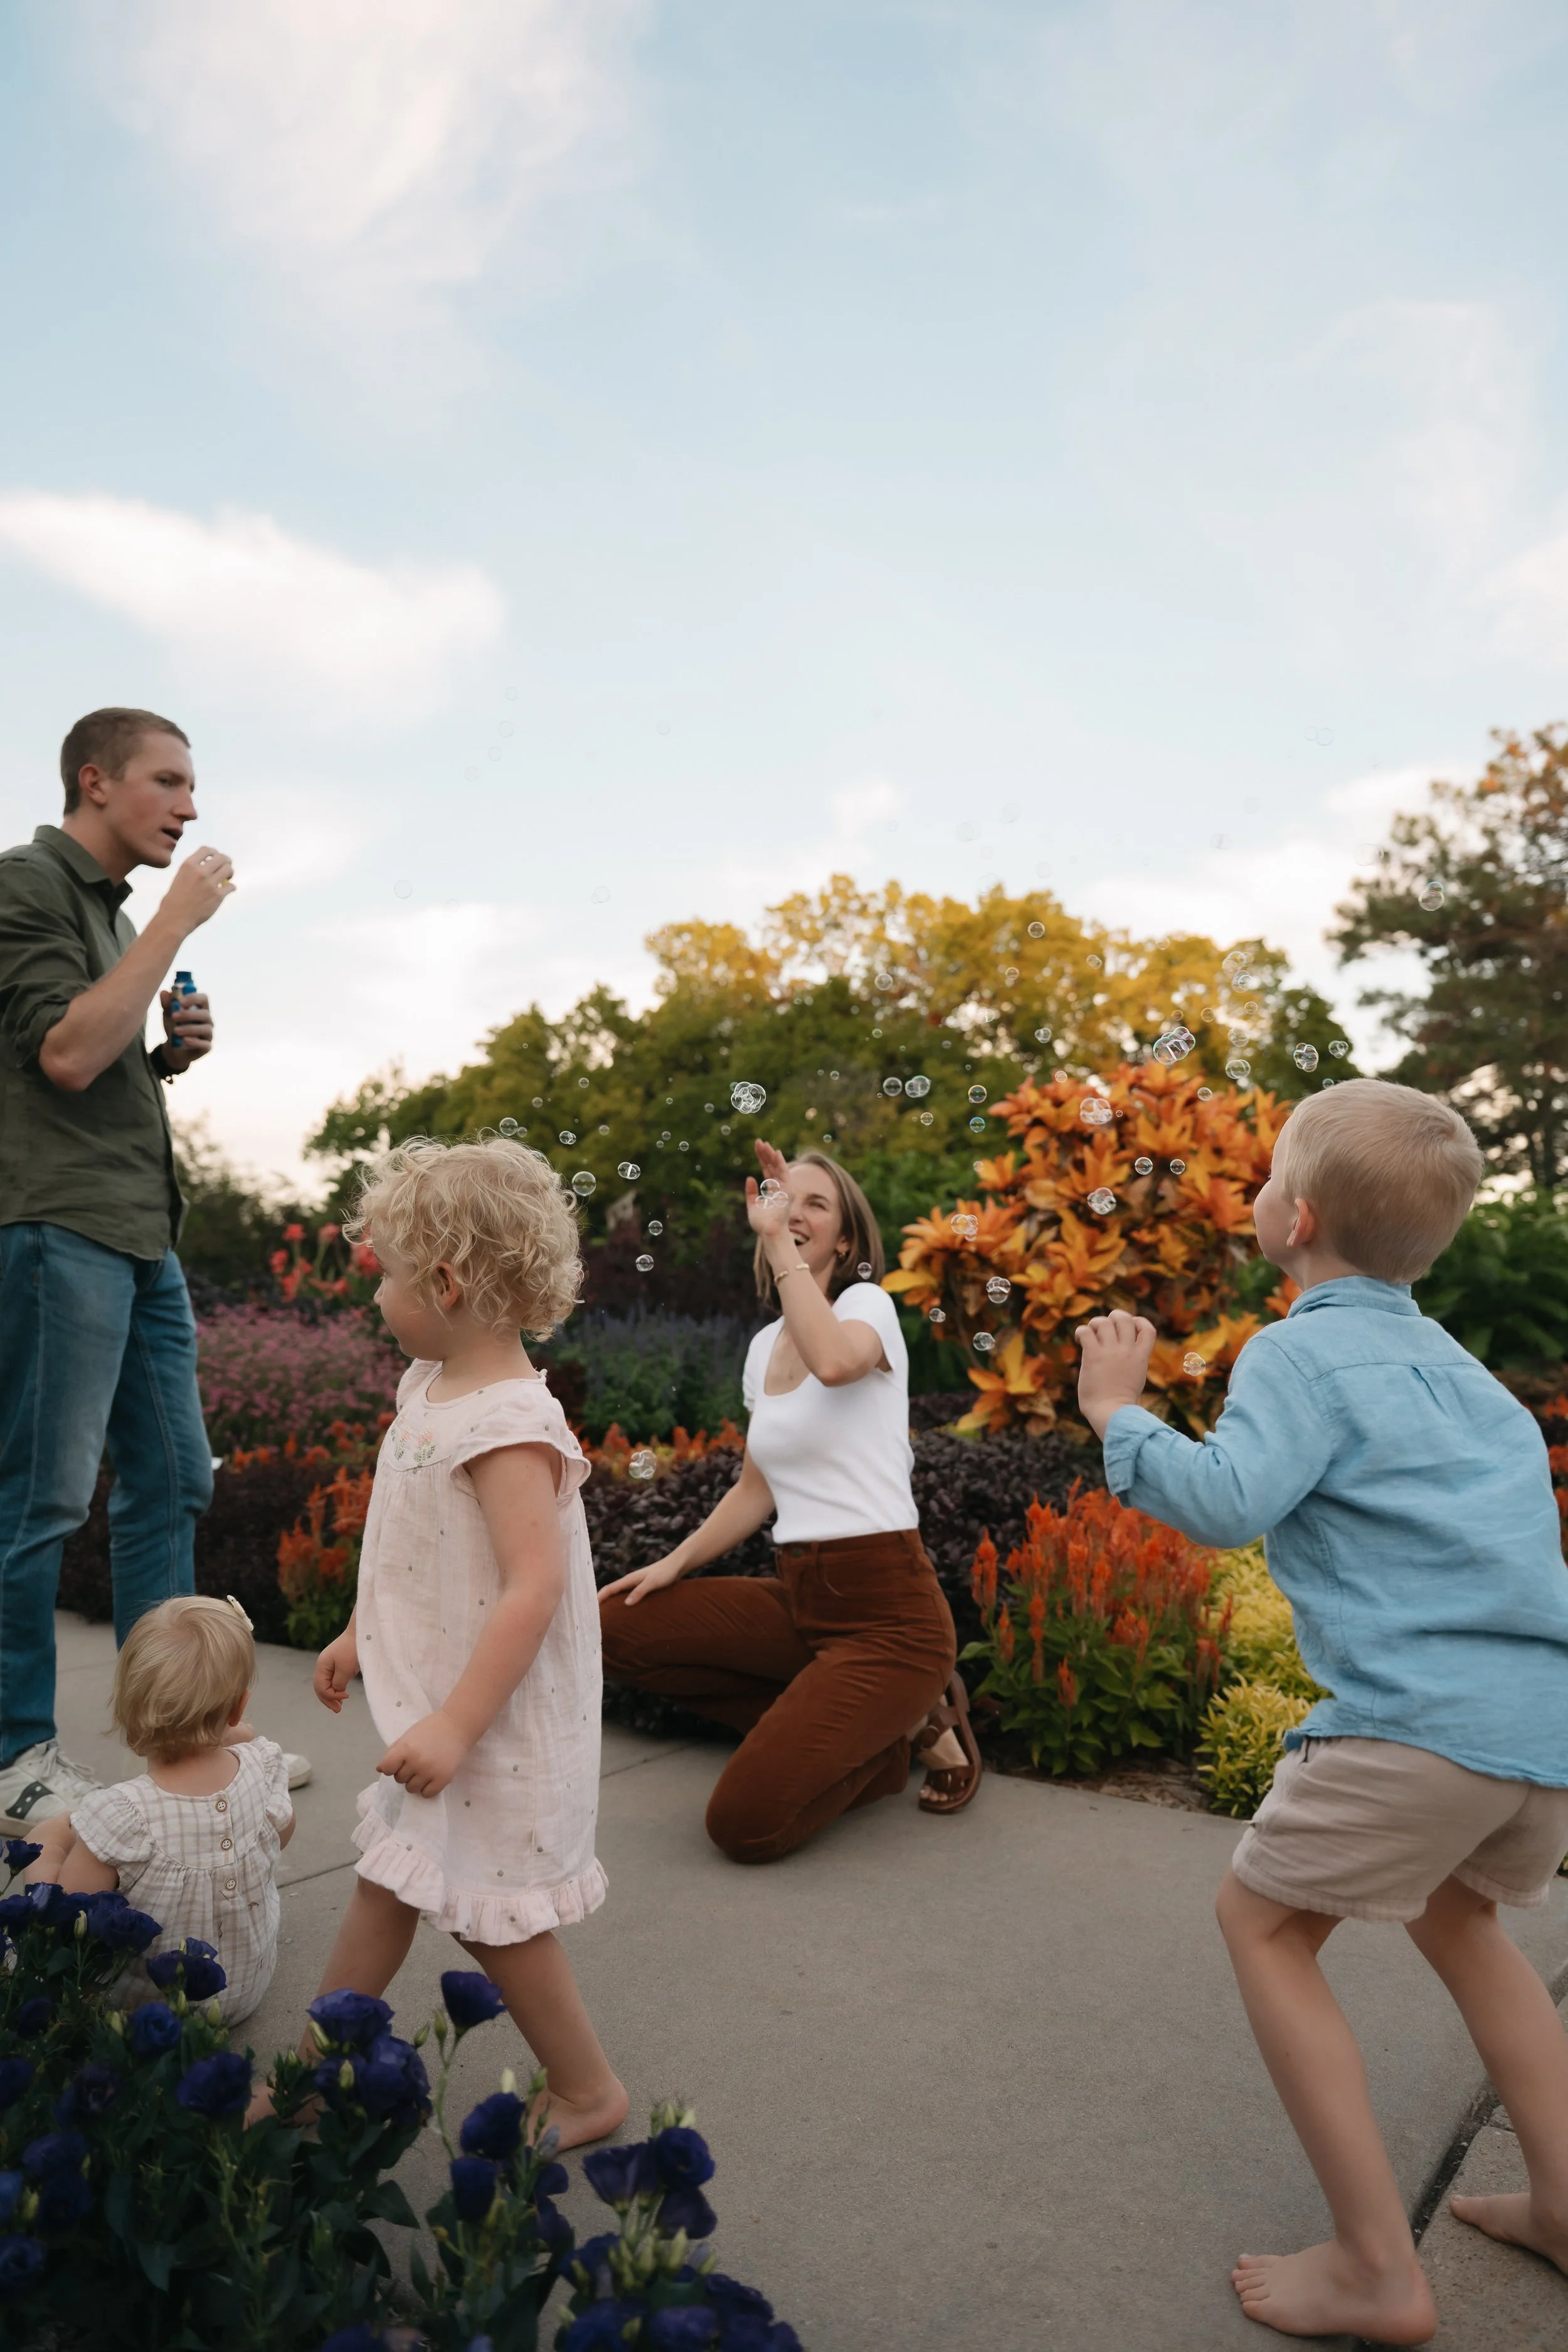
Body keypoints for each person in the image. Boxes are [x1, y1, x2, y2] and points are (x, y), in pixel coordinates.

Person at [1075, 1078, 1568, 2344]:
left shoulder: (1294, 1348)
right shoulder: (1470, 1381)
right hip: (1536, 1733)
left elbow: (1230, 1500)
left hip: (1413, 1720)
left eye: (1261, 1181)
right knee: (1465, 1924)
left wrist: (1117, 1416)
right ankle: (1567, 2208)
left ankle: (1371, 2268)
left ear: (1293, 1219)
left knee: (1261, 1923)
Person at [0, 706, 309, 1826]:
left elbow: (103, 1051)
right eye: (169, 783)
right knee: (38, 1499)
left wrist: (164, 1057)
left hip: (141, 1236)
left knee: (175, 1478)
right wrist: (173, 926)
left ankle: (178, 1737)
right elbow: (68, 1055)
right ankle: (14, 1757)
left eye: (192, 788)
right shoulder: (27, 886)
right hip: (60, 1230)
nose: (189, 806)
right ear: (95, 781)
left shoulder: (109, 917)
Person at [296, 1136, 625, 2149]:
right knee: (390, 1878)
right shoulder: (425, 1391)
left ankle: (587, 2092)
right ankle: (315, 2067)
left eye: (389, 1275)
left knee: (493, 1916)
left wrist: (453, 1724)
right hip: (440, 1713)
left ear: (445, 1281)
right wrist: (362, 1630)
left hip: (495, 1724)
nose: (377, 1296)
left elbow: (534, 1590)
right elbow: (409, 1548)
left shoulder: (511, 1425)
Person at [599, 1141, 980, 1864]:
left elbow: (835, 1364)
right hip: (803, 1597)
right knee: (613, 1625)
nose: (794, 1211)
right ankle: (890, 1725)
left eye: (816, 1203)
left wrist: (777, 1242)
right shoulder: (762, 1345)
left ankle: (892, 1738)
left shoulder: (866, 1307)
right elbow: (756, 1487)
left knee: (743, 1827)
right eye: (784, 1197)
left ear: (845, 1236)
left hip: (890, 1617)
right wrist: (671, 1566)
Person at [21, 1594, 295, 2022]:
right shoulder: (263, 1766)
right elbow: (281, 1835)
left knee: (42, 1848)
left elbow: (71, 1914)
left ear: (128, 1709)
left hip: (152, 2011)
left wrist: (50, 1845)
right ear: (239, 1706)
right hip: (243, 1992)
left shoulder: (123, 1816)